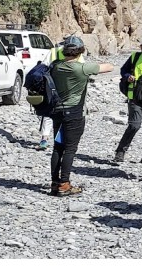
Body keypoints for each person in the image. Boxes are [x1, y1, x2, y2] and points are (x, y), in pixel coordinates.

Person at [47, 36, 114, 196]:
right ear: (80, 51)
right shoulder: (82, 68)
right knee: (70, 148)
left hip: (57, 112)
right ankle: (65, 184)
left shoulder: (56, 66)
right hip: (74, 113)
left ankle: (55, 182)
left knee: (58, 147)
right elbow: (110, 67)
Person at [113, 34, 142, 164]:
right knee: (134, 125)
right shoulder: (135, 57)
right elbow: (123, 70)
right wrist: (128, 76)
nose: (141, 47)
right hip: (134, 98)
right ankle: (120, 151)